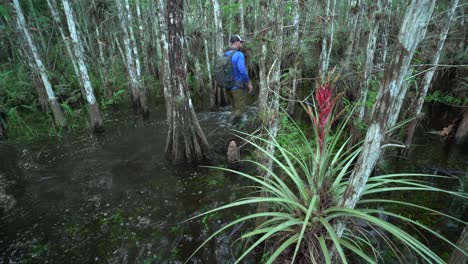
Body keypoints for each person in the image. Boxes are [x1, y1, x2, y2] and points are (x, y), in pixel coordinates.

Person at [225, 35, 253, 123]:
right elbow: (242, 70)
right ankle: (231, 125)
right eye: (240, 42)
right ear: (236, 43)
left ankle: (234, 128)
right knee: (239, 112)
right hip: (238, 88)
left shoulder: (225, 55)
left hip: (228, 88)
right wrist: (248, 82)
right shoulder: (239, 54)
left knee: (234, 109)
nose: (241, 44)